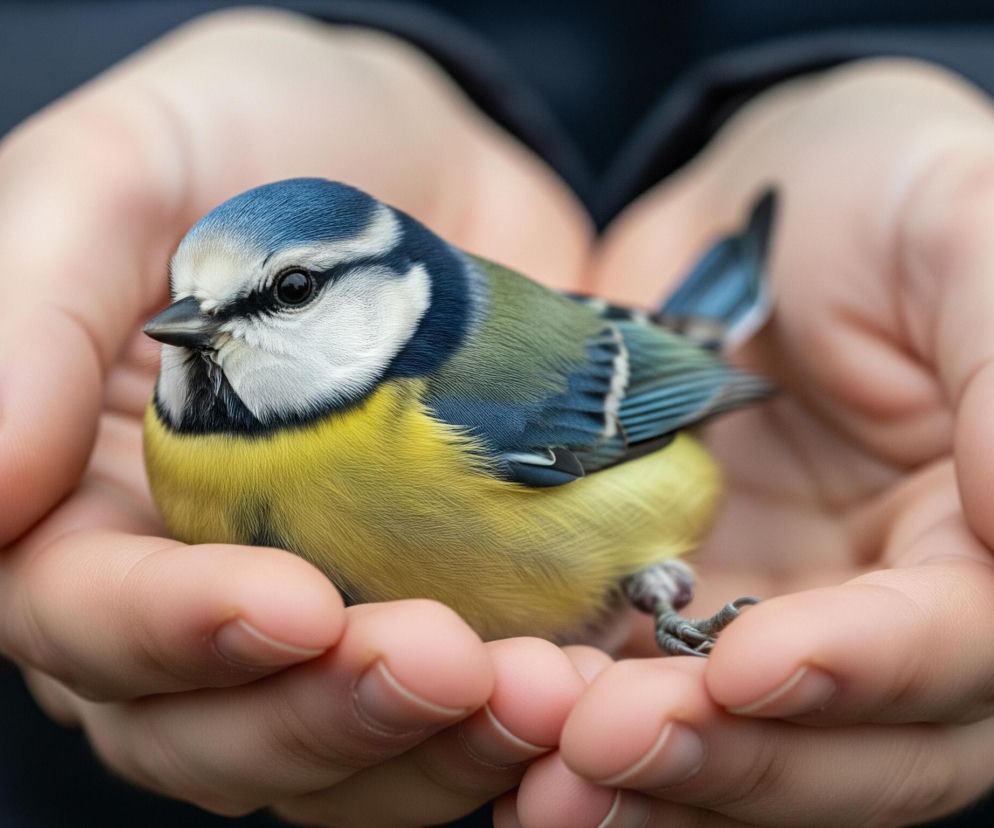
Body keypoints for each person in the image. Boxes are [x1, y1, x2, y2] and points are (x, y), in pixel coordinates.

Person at [2, 4, 994, 826]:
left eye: (287, 292)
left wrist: (671, 608)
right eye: (190, 299)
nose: (185, 330)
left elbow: (646, 385)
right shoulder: (173, 438)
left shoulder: (445, 411)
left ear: (388, 293)